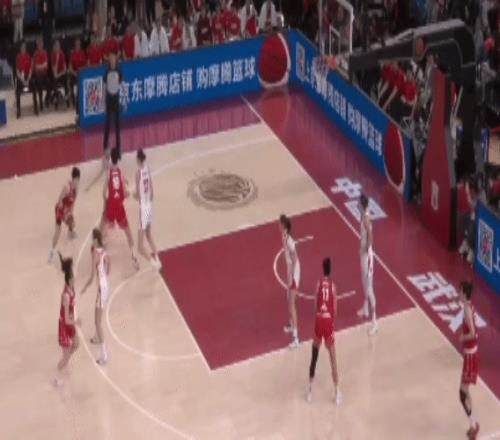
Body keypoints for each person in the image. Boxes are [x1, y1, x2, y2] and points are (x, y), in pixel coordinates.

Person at [306, 257, 341, 405]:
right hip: (327, 322)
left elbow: (315, 306)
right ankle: (337, 393)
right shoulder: (333, 286)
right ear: (330, 269)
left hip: (319, 321)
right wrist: (330, 322)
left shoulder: (318, 284)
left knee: (314, 356)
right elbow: (335, 310)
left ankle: (309, 391)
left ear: (323, 269)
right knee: (333, 360)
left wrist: (318, 319)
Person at [100, 148, 139, 269]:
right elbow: (125, 193)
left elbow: (104, 192)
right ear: (119, 158)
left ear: (111, 158)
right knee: (128, 233)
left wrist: (106, 201)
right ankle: (134, 257)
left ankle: (100, 255)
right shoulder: (120, 172)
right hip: (119, 207)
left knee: (104, 225)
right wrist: (127, 192)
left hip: (111, 206)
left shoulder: (109, 173)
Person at [81, 229, 110, 365]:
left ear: (96, 240)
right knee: (98, 316)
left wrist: (85, 287)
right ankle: (97, 338)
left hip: (101, 289)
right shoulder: (104, 252)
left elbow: (92, 276)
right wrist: (104, 277)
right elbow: (109, 267)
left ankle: (104, 354)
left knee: (97, 322)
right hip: (106, 286)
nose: (91, 241)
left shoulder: (95, 254)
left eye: (92, 239)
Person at [458, 281, 480, 439]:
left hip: (471, 355)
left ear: (465, 294)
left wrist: (463, 337)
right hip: (470, 354)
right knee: (464, 390)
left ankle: (474, 425)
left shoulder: (466, 309)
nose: (458, 293)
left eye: (460, 291)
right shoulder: (469, 306)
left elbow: (473, 333)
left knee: (462, 392)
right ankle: (473, 424)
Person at [54, 253, 80, 386]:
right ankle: (56, 376)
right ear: (70, 280)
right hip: (65, 325)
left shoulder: (71, 289)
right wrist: (76, 321)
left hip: (70, 321)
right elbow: (65, 320)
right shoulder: (65, 296)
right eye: (74, 277)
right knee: (65, 355)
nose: (75, 279)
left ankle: (66, 359)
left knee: (76, 344)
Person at [134, 149, 161, 269]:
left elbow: (137, 196)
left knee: (140, 246)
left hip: (143, 209)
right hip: (150, 206)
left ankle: (154, 264)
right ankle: (157, 258)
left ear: (138, 159)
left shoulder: (138, 173)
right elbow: (152, 193)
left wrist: (132, 194)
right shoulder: (148, 169)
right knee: (149, 235)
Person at [49, 167, 80, 263]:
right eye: (77, 180)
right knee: (58, 231)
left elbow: (73, 203)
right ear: (75, 178)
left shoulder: (76, 189)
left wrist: (71, 213)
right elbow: (59, 201)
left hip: (67, 210)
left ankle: (70, 233)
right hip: (60, 210)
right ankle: (52, 252)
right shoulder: (66, 187)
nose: (78, 182)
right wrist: (64, 214)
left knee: (73, 223)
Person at [357, 194, 378, 335]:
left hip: (368, 257)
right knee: (364, 283)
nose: (356, 205)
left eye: (358, 203)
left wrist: (365, 248)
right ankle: (365, 308)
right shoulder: (364, 215)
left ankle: (375, 322)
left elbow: (370, 236)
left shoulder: (365, 218)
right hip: (364, 256)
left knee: (370, 288)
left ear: (361, 205)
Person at [279, 214, 301, 348]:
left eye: (279, 224)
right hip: (291, 271)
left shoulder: (289, 240)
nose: (278, 225)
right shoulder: (284, 237)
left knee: (292, 303)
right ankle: (292, 325)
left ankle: (296, 338)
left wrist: (290, 276)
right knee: (289, 299)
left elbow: (295, 259)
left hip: (294, 272)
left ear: (283, 225)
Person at [103, 53, 123, 159]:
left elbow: (122, 85)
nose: (112, 61)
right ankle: (105, 148)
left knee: (117, 126)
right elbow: (104, 88)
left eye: (113, 59)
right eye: (110, 60)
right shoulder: (106, 72)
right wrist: (103, 103)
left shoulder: (119, 71)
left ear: (115, 60)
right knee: (108, 124)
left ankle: (118, 150)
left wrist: (125, 100)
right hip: (109, 99)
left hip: (116, 99)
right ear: (109, 61)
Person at [15, 41, 37, 118]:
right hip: (21, 77)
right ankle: (18, 110)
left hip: (28, 76)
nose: (23, 49)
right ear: (20, 48)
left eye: (24, 47)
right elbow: (17, 71)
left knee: (33, 85)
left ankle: (35, 108)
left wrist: (28, 79)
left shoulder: (28, 56)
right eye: (22, 47)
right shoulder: (18, 57)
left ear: (26, 48)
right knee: (17, 90)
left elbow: (31, 69)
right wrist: (23, 80)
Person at [68, 38, 87, 113]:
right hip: (74, 74)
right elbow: (70, 67)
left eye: (79, 44)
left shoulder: (82, 53)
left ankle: (80, 102)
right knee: (71, 81)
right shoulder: (72, 54)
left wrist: (81, 73)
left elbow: (85, 65)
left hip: (81, 74)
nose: (78, 45)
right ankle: (75, 102)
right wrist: (75, 73)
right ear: (75, 45)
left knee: (80, 82)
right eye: (76, 44)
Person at [49, 39, 68, 109]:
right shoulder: (52, 55)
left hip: (60, 74)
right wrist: (57, 59)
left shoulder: (62, 53)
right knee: (54, 81)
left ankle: (66, 100)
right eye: (57, 45)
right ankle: (56, 100)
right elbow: (54, 73)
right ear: (54, 47)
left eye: (59, 45)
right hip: (54, 76)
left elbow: (65, 69)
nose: (58, 47)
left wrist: (60, 74)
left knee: (66, 79)